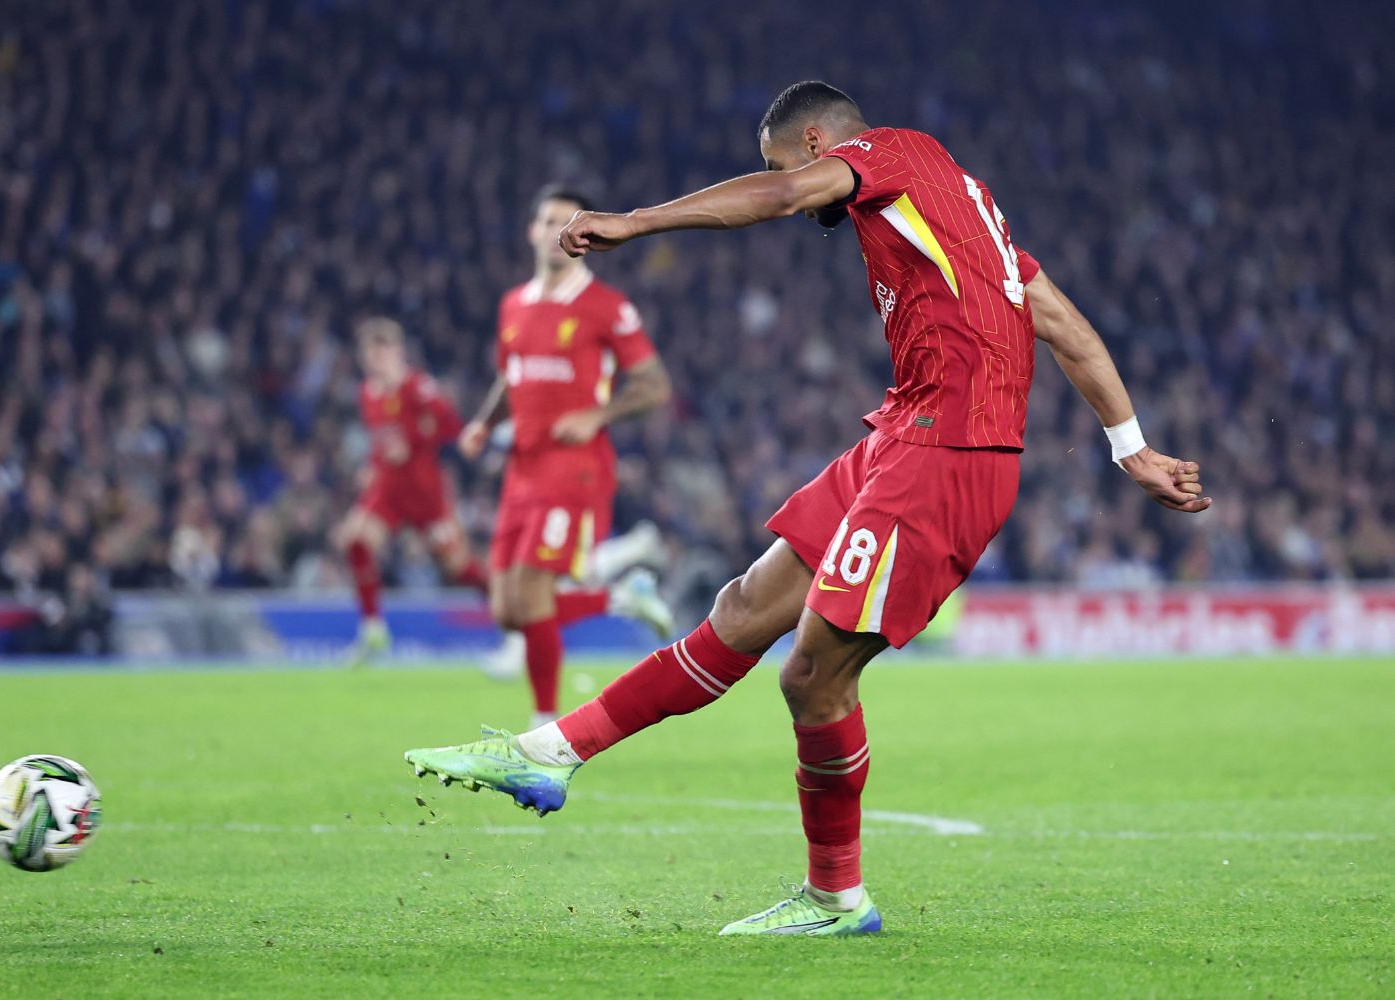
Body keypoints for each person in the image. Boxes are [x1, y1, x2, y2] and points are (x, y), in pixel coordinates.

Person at [405, 83, 1211, 935]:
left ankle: (836, 898)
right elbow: (1063, 324)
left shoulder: (887, 156)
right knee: (744, 608)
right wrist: (1131, 447)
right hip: (901, 433)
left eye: (780, 160)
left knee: (812, 674)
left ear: (821, 145)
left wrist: (636, 222)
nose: (789, 187)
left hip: (950, 454)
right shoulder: (958, 209)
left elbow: (787, 194)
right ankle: (546, 754)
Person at [459, 184, 676, 725]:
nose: (556, 234)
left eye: (569, 224)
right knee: (508, 610)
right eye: (548, 221)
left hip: (574, 467)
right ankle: (620, 596)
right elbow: (511, 378)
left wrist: (597, 416)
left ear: (583, 240)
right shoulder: (513, 305)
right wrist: (484, 424)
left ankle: (543, 726)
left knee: (533, 587)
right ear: (532, 232)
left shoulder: (607, 307)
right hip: (522, 468)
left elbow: (654, 385)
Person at [334, 317, 488, 662]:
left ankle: (513, 621)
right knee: (355, 538)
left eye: (383, 352)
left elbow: (449, 426)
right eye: (371, 354)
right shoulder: (367, 393)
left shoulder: (418, 387)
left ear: (398, 352)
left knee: (457, 568)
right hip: (387, 489)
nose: (376, 360)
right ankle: (373, 629)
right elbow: (382, 441)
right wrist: (372, 466)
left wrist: (415, 440)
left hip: (424, 492)